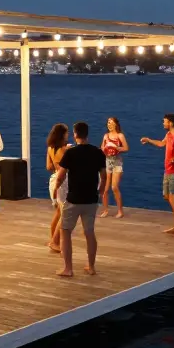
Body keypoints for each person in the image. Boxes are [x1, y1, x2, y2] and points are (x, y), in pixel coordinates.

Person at [54, 122, 107, 277]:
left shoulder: (71, 153)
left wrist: (56, 188)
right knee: (89, 232)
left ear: (75, 134)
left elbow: (61, 175)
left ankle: (68, 268)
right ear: (87, 134)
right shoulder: (98, 153)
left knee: (65, 231)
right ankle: (91, 267)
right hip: (91, 199)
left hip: (73, 199)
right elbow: (103, 176)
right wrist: (101, 191)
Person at [140, 113, 174, 239]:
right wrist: (149, 140)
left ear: (171, 123)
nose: (163, 123)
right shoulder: (168, 135)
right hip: (168, 171)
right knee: (167, 197)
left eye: (165, 121)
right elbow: (161, 144)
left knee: (173, 198)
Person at [45, 123, 69, 252]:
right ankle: (55, 242)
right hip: (62, 181)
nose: (68, 135)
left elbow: (49, 167)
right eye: (66, 133)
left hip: (53, 179)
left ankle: (54, 240)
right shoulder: (64, 150)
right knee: (65, 213)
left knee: (59, 212)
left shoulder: (50, 148)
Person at [99, 116, 129, 218]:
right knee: (106, 188)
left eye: (111, 122)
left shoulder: (120, 136)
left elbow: (126, 148)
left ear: (115, 124)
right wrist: (105, 148)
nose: (109, 124)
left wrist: (116, 148)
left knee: (114, 187)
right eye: (108, 122)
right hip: (108, 162)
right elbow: (102, 147)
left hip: (117, 162)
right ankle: (105, 210)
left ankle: (120, 211)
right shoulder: (106, 136)